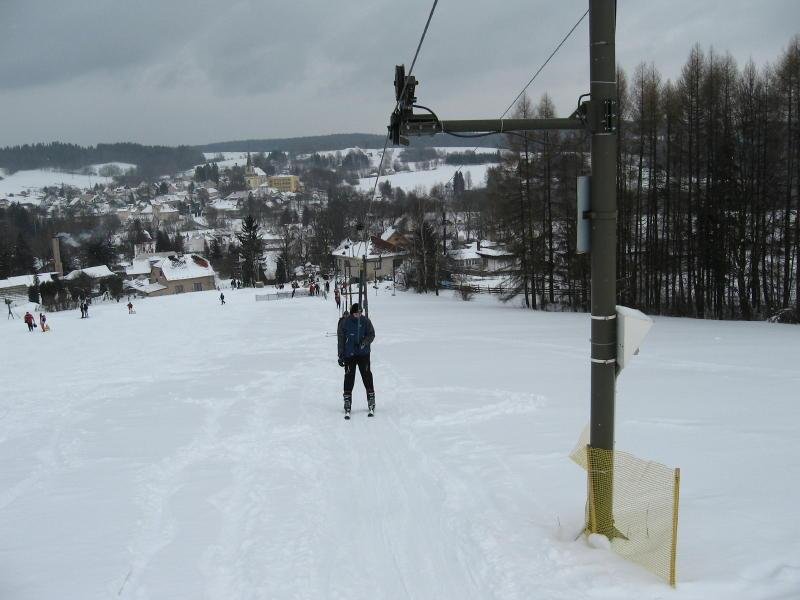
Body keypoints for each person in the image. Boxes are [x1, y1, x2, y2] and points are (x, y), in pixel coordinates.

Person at [337, 303, 376, 419]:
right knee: (349, 377)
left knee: (367, 375)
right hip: (350, 354)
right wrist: (341, 354)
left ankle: (371, 398)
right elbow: (341, 339)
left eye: (360, 313)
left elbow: (372, 334)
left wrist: (364, 342)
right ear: (352, 313)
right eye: (356, 313)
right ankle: (347, 400)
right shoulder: (345, 322)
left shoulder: (366, 321)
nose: (358, 315)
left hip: (363, 354)